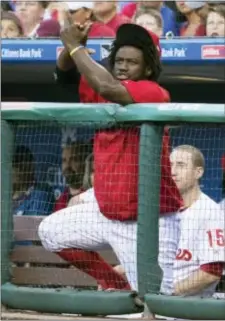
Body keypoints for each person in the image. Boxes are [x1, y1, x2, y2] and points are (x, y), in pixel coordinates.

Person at [38, 19, 183, 291]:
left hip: (149, 222)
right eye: (119, 59)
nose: (122, 66)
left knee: (159, 304)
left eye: (132, 62)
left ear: (148, 68)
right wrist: (72, 49)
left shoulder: (154, 92)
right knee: (52, 232)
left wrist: (73, 47)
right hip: (107, 214)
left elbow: (107, 87)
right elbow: (65, 77)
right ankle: (116, 285)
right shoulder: (103, 86)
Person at [170, 145, 224, 297]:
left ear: (198, 172)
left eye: (181, 165)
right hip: (156, 303)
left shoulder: (210, 212)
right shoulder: (164, 211)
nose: (173, 172)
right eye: (170, 166)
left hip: (187, 308)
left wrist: (167, 293)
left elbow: (211, 273)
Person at [13, 145, 55, 216]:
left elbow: (34, 225)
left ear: (32, 165)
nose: (18, 169)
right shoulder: (4, 197)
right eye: (15, 164)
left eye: (22, 163)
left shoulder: (41, 194)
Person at [54, 142, 91, 211]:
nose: (67, 165)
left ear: (84, 162)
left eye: (73, 159)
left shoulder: (91, 196)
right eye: (64, 160)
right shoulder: (61, 200)